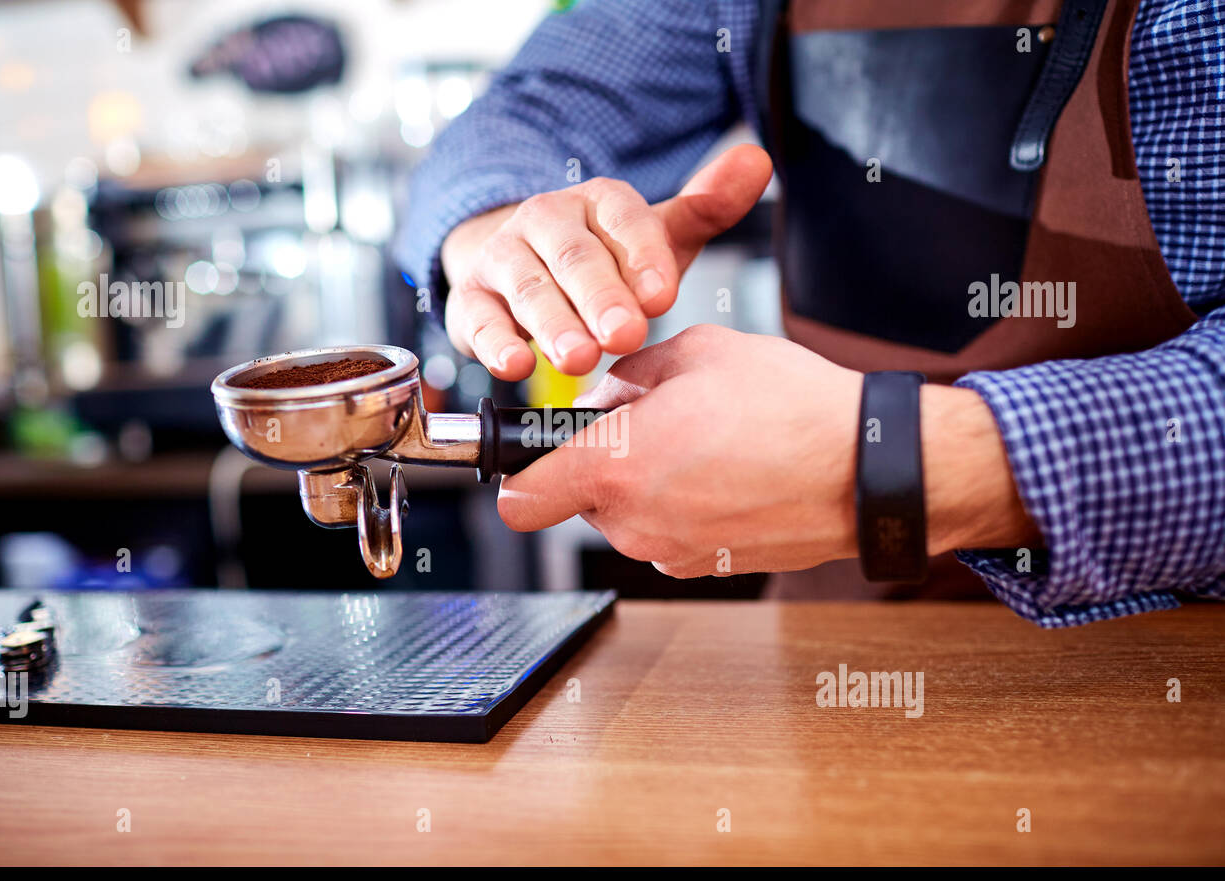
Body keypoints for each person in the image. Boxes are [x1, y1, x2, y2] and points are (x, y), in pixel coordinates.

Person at [395, 0, 1225, 627]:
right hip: (836, 641)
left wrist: (905, 469)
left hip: (1169, 672)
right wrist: (506, 238)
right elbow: (526, 113)